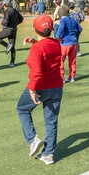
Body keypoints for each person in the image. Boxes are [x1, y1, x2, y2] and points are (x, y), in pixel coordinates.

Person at [17, 14, 63, 165]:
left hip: (41, 86)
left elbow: (37, 72)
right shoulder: (56, 43)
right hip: (56, 86)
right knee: (51, 121)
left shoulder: (37, 48)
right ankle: (49, 154)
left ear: (35, 29)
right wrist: (34, 42)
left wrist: (32, 89)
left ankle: (32, 139)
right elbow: (47, 49)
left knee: (22, 109)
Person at [56, 5, 82, 82]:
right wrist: (75, 36)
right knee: (72, 60)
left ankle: (61, 77)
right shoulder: (73, 19)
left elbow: (60, 29)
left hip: (65, 43)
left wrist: (58, 37)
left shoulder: (63, 20)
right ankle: (72, 76)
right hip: (73, 43)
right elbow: (80, 29)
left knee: (61, 60)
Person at [0, 0, 23, 67]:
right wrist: (16, 24)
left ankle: (7, 46)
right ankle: (12, 62)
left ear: (5, 5)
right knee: (12, 47)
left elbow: (5, 20)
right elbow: (21, 19)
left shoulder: (7, 11)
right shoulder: (16, 11)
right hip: (14, 30)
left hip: (8, 29)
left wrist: (2, 24)